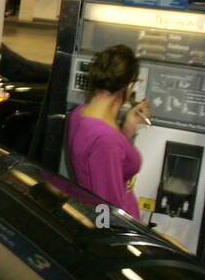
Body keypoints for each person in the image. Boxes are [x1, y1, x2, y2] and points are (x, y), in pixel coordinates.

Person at [65, 44, 152, 219]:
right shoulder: (106, 139)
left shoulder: (79, 114)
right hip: (119, 230)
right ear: (129, 86)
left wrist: (126, 130)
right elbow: (106, 209)